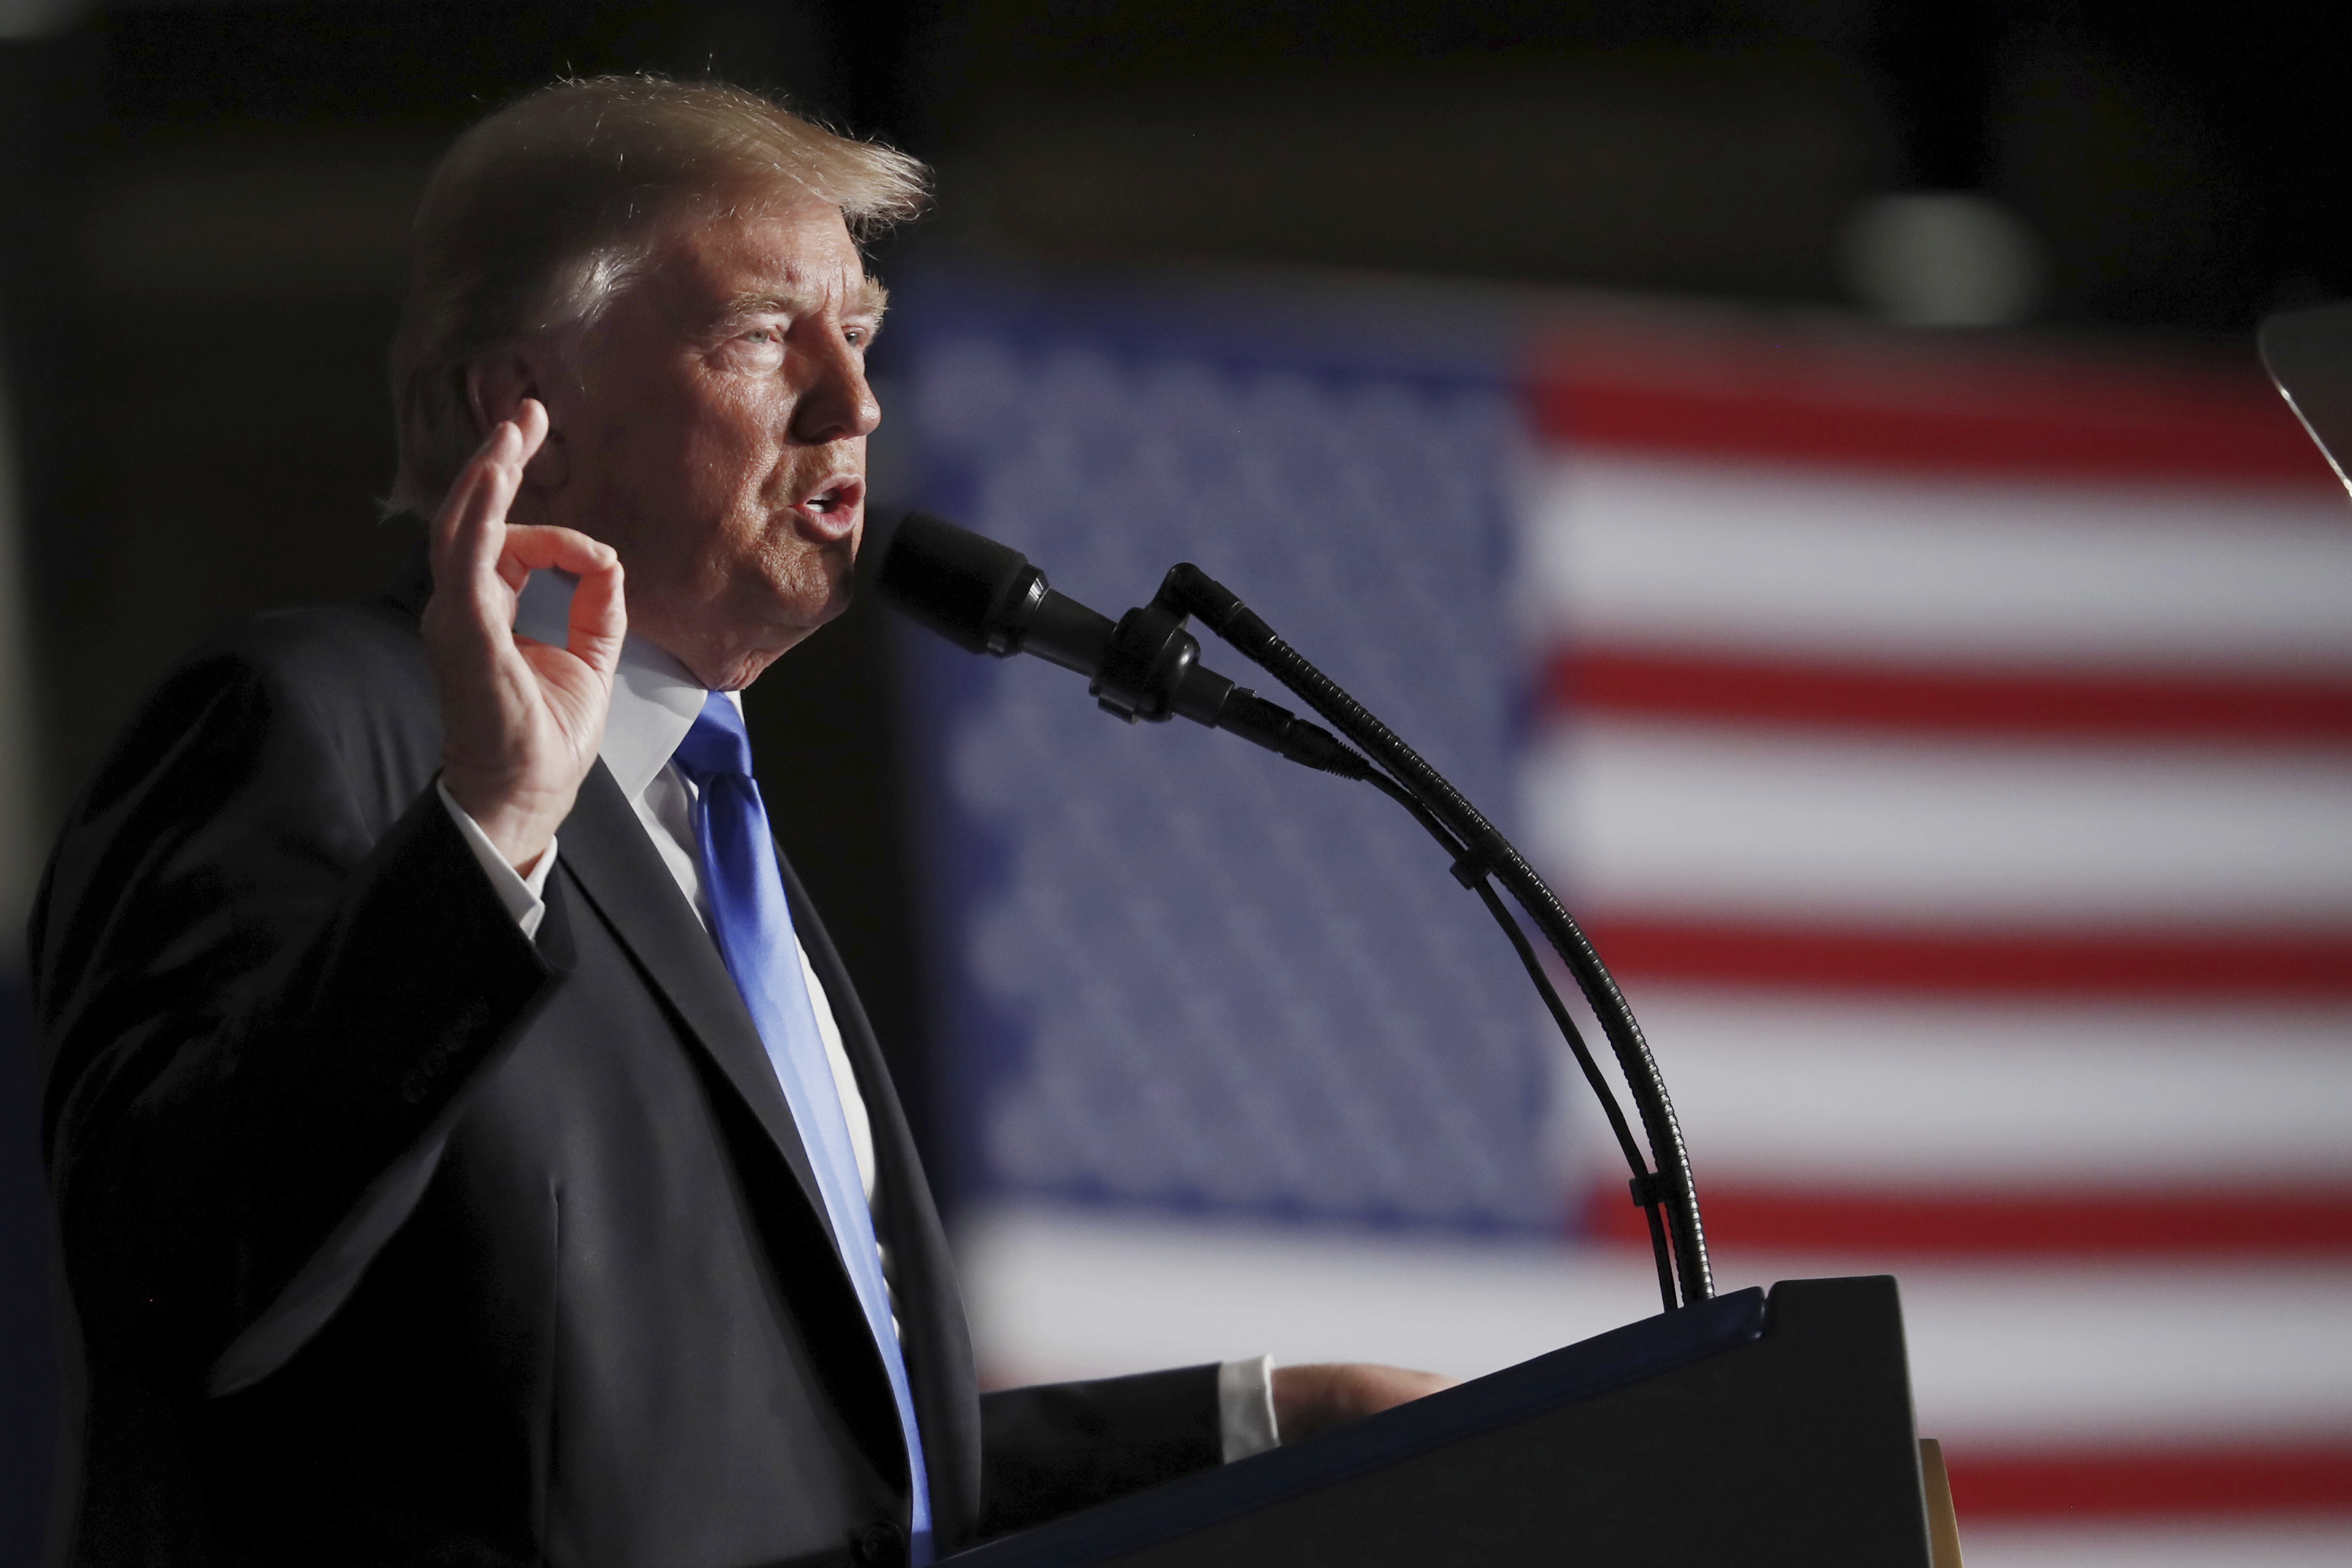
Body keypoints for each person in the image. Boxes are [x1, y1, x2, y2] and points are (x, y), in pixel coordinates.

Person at [30, 76, 1444, 1567]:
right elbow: (167, 1283)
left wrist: (1265, 1421)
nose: (854, 402)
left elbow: (774, 1471)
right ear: (527, 415)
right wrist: (487, 829)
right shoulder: (318, 724)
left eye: (863, 335)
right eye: (768, 333)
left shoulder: (705, 824)